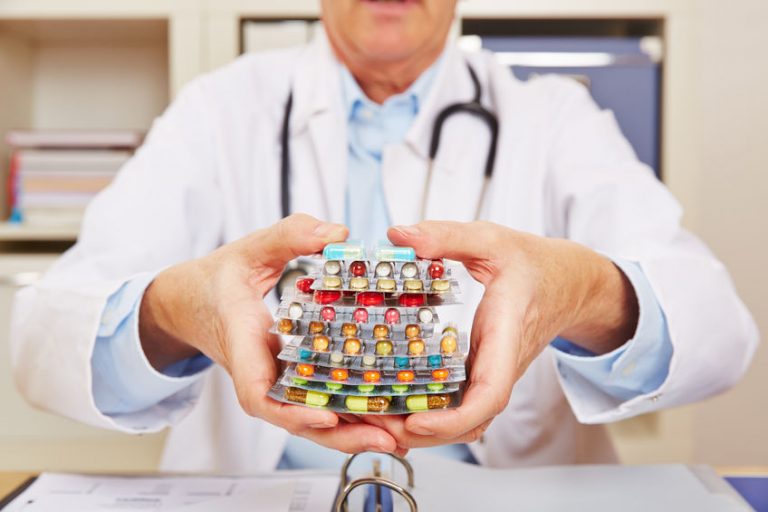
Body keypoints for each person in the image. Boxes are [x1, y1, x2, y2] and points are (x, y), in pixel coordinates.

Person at [11, 0, 758, 472]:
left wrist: (582, 292)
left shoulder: (554, 116)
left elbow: (717, 330)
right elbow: (46, 336)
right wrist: (175, 308)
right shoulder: (218, 110)